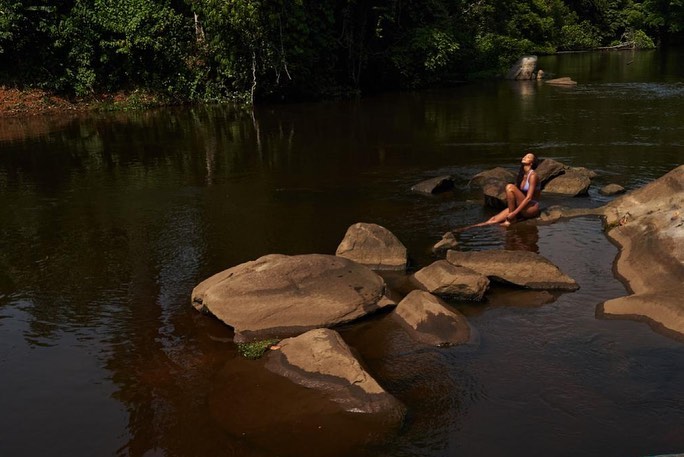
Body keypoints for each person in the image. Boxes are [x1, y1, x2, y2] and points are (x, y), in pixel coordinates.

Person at [461, 152, 542, 230]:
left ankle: (511, 219)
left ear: (531, 163)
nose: (524, 157)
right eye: (525, 155)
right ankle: (468, 228)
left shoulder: (533, 176)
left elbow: (528, 198)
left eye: (528, 157)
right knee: (493, 220)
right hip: (522, 207)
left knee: (510, 187)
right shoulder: (523, 174)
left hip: (531, 208)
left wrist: (513, 213)